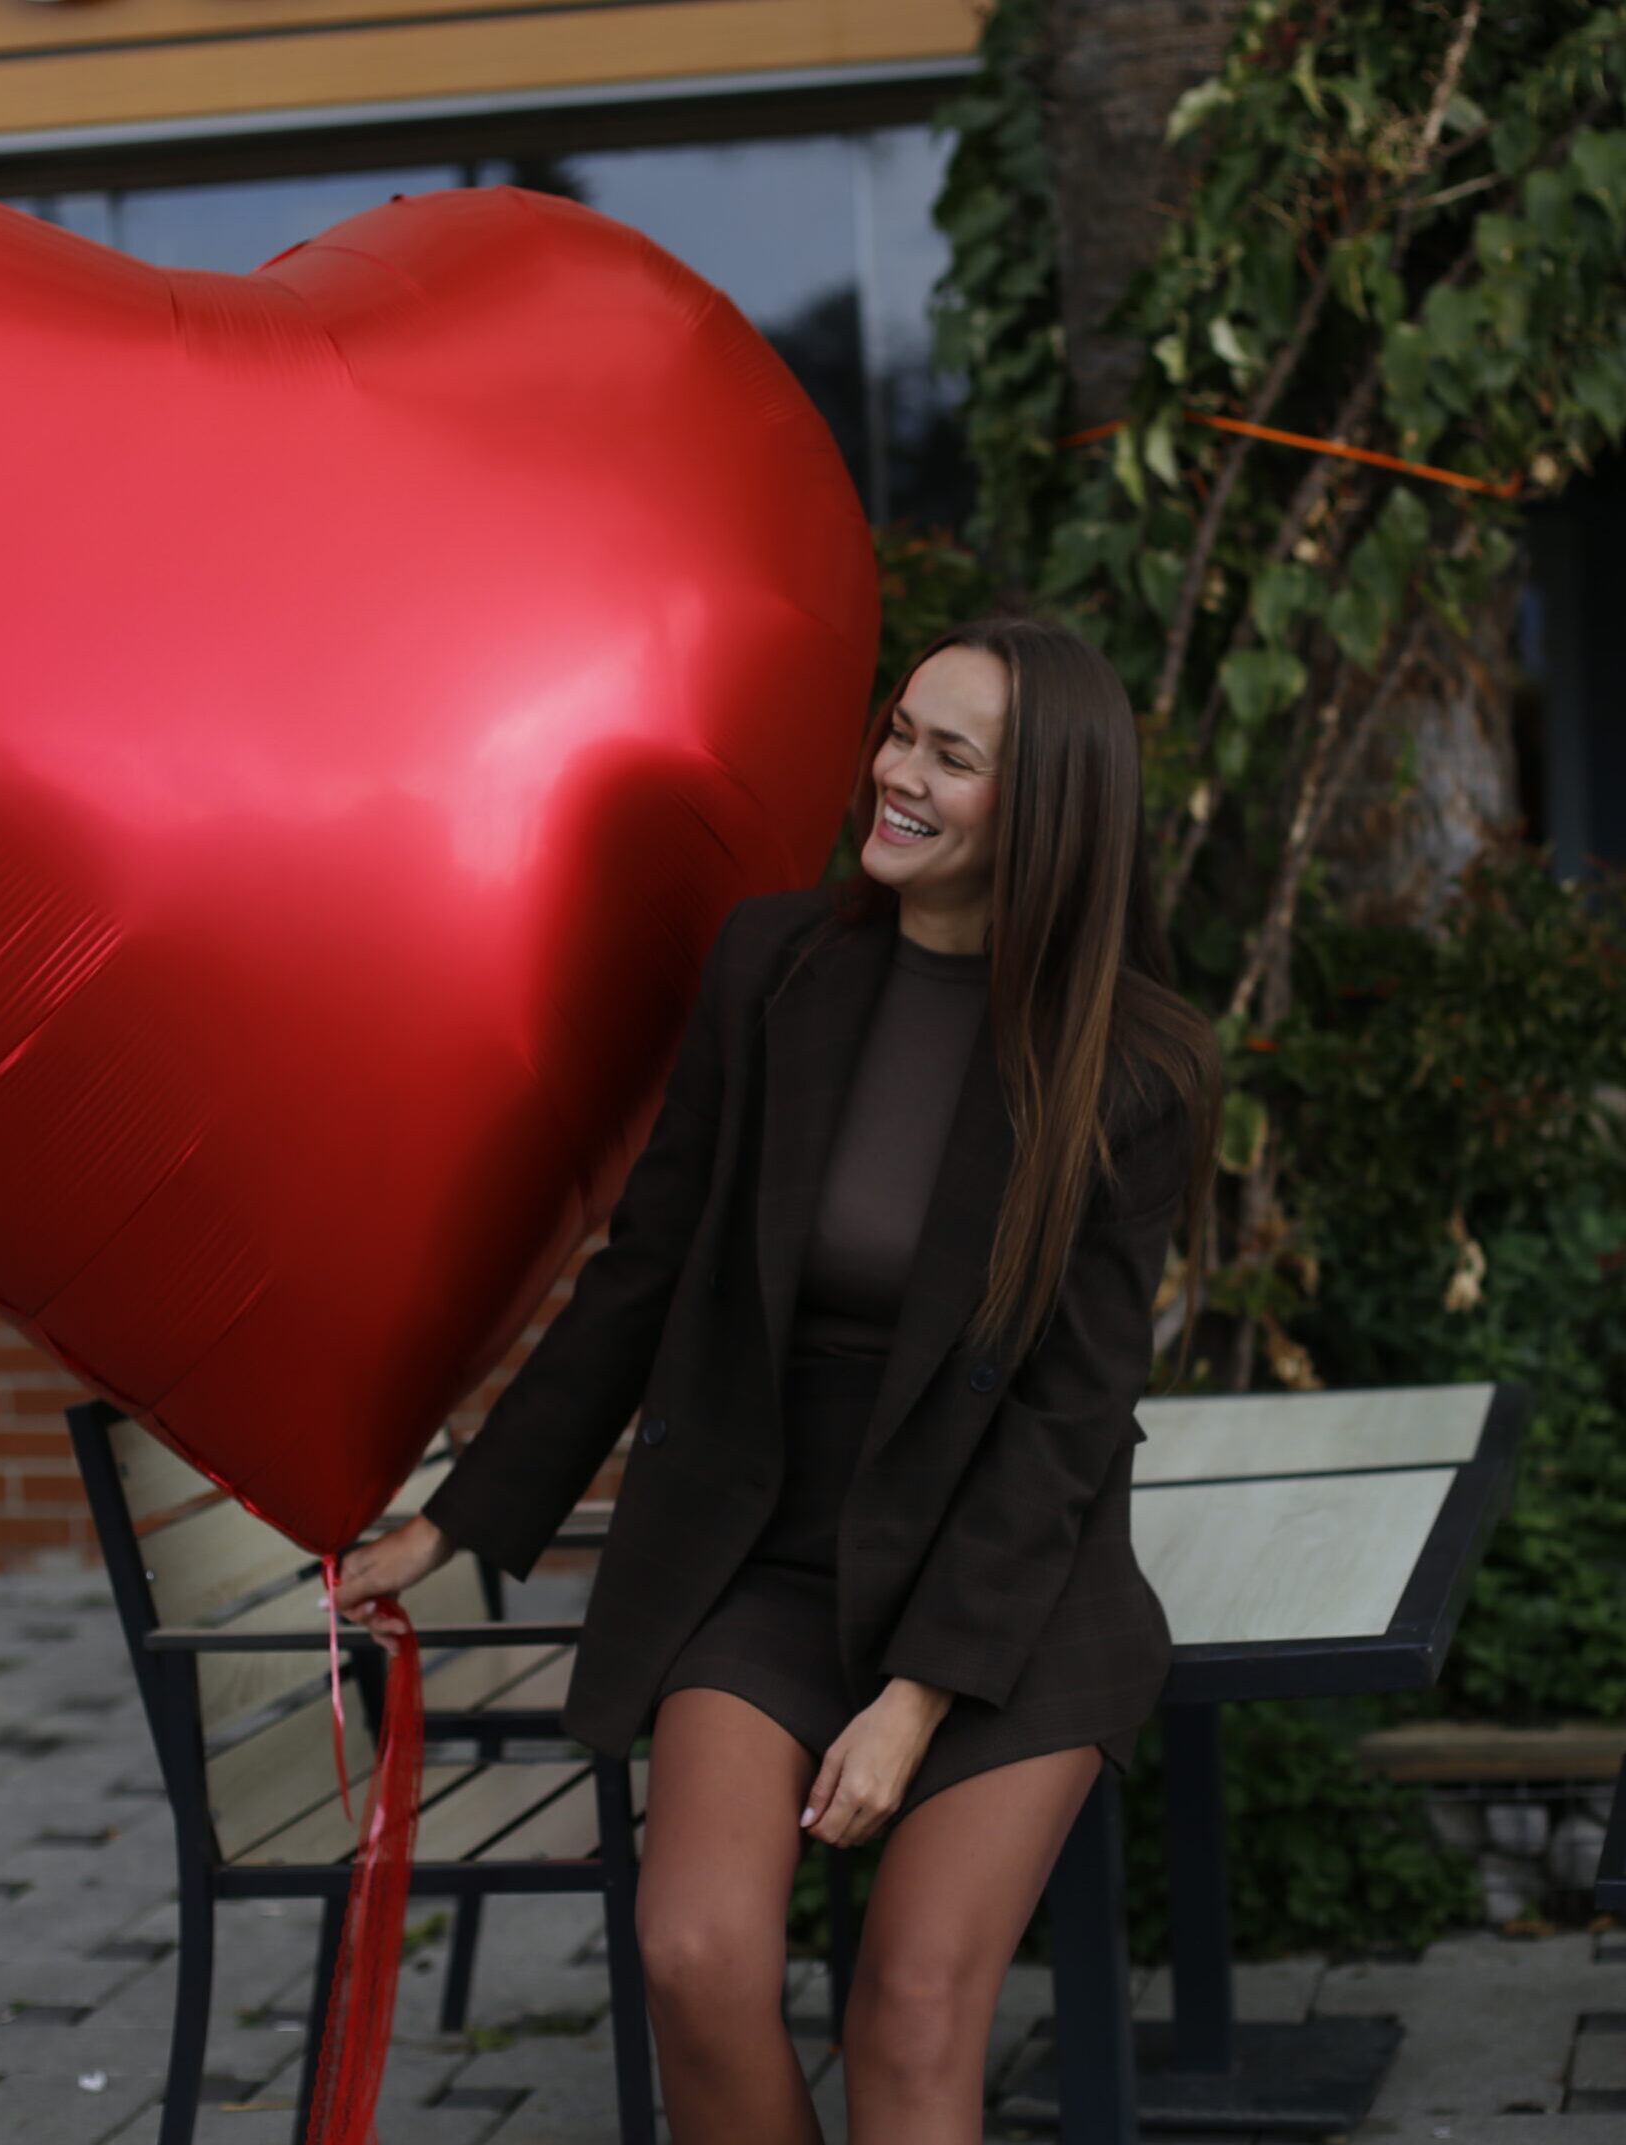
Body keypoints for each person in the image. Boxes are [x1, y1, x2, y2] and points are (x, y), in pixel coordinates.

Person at [330, 616, 1219, 2144]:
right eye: (899, 732)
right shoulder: (773, 966)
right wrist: (464, 1517)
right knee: (694, 1954)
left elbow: (1068, 1419)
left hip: (1006, 1596)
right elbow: (650, 1265)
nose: (897, 774)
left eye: (951, 755)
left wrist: (917, 1695)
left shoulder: (1135, 1067)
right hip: (767, 1555)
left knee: (912, 2012)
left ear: (1047, 806)